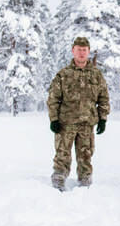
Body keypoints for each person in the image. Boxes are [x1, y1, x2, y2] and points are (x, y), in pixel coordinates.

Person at [47, 36, 110, 191]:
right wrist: (53, 119)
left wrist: (103, 119)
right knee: (62, 155)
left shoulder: (96, 75)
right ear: (73, 51)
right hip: (65, 124)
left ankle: (85, 184)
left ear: (88, 52)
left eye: (84, 50)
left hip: (87, 124)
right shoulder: (63, 74)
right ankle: (58, 183)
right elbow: (53, 98)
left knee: (86, 157)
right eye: (78, 50)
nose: (81, 53)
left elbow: (103, 98)